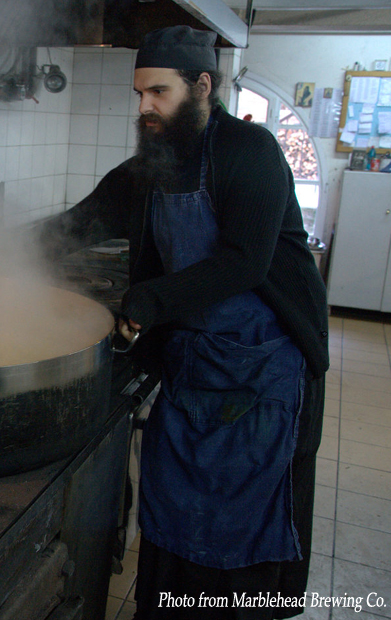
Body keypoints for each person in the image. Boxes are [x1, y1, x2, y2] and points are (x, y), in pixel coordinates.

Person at [39, 26, 329, 620]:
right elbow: (77, 225)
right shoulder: (150, 167)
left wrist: (147, 301)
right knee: (175, 510)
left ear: (203, 85)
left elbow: (245, 262)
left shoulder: (250, 152)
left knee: (238, 520)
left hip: (260, 370)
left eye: (158, 93)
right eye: (139, 93)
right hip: (195, 367)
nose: (144, 106)